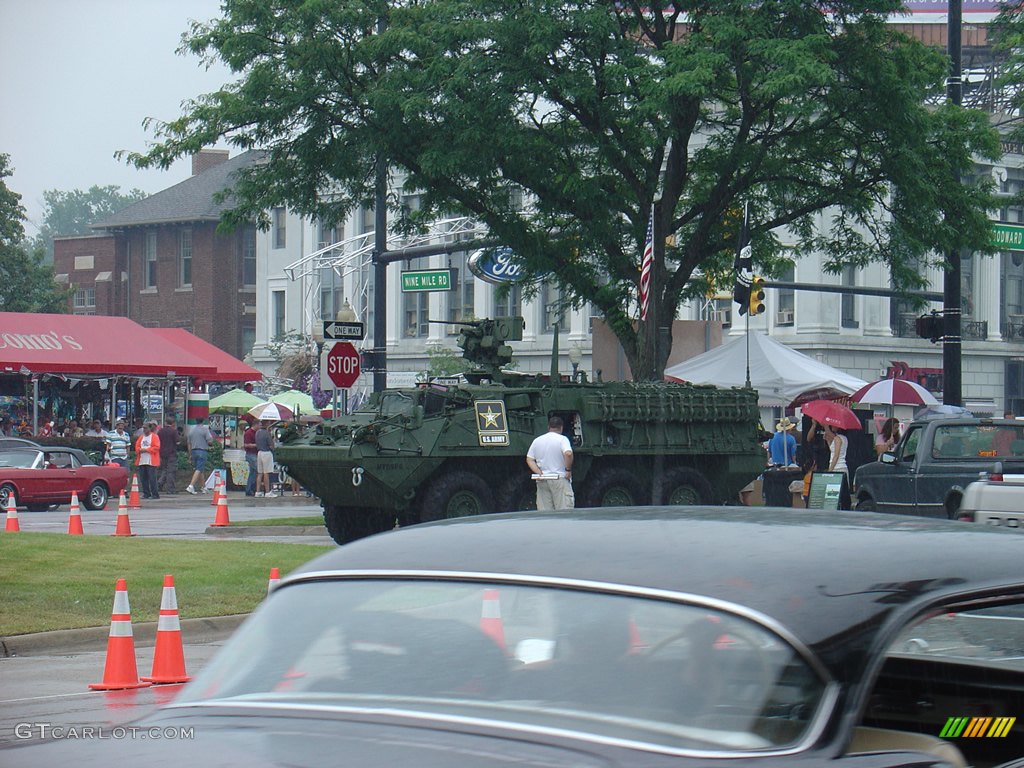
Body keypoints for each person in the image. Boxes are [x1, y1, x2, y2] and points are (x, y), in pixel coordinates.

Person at [525, 416, 574, 511]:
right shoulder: (562, 439)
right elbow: (568, 453)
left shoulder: (537, 440)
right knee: (564, 511)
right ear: (561, 427)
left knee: (545, 514)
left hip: (543, 479)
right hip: (559, 478)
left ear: (549, 427)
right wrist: (568, 470)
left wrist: (539, 472)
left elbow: (529, 459)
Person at [185, 416, 217, 495]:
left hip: (193, 451)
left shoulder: (191, 430)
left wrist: (190, 454)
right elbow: (210, 441)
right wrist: (211, 442)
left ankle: (204, 487)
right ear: (203, 421)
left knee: (200, 469)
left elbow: (189, 443)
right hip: (202, 451)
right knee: (199, 469)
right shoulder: (205, 429)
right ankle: (191, 486)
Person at [825, 424, 851, 510]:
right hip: (842, 466)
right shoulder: (844, 438)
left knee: (833, 493)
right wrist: (828, 441)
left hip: (837, 468)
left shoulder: (837, 438)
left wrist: (830, 469)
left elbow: (836, 455)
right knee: (843, 493)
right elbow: (833, 451)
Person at [134, 422, 161, 500]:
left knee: (152, 478)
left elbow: (156, 447)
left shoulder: (155, 437)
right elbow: (137, 446)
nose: (144, 430)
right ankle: (146, 493)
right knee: (143, 478)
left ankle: (155, 494)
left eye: (146, 428)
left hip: (151, 461)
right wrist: (139, 450)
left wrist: (146, 449)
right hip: (142, 460)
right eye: (143, 428)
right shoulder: (141, 437)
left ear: (150, 428)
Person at [254, 420, 278, 498]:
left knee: (260, 473)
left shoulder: (257, 432)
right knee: (266, 473)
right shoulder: (267, 433)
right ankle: (267, 492)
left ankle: (257, 491)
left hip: (259, 452)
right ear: (267, 424)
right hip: (267, 453)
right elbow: (271, 445)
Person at [157, 416, 180, 494]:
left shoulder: (160, 431)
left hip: (162, 453)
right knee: (171, 471)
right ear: (173, 423)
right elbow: (178, 442)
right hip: (171, 453)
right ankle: (170, 489)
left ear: (166, 422)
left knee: (165, 470)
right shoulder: (173, 431)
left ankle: (159, 484)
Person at [242, 418, 259, 497]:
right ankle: (250, 488)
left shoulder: (257, 433)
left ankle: (250, 489)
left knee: (253, 472)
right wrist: (256, 445)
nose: (260, 426)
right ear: (255, 425)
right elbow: (246, 445)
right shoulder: (248, 433)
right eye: (259, 425)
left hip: (255, 454)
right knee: (256, 470)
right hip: (250, 454)